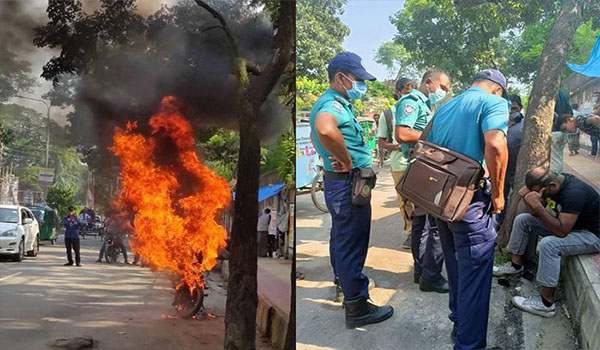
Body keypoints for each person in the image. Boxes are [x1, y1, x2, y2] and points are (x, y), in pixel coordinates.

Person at [427, 69, 509, 349]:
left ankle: (460, 325)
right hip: (471, 202)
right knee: (475, 274)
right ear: (497, 89)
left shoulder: (445, 106)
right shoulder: (493, 102)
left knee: (456, 266)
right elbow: (496, 144)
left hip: (441, 200)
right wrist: (498, 194)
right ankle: (469, 345)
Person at [310, 52, 393, 328]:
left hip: (343, 183)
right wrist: (345, 159)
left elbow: (316, 134)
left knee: (342, 239)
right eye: (357, 79)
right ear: (341, 77)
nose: (361, 85)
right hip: (348, 183)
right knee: (351, 243)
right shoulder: (331, 104)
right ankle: (357, 304)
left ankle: (344, 283)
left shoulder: (337, 102)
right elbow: (323, 128)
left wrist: (331, 153)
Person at [494, 167, 600, 317]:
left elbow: (561, 231)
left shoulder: (574, 193)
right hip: (571, 226)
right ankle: (515, 265)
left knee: (549, 244)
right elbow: (533, 213)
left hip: (592, 235)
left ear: (552, 186)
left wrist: (538, 205)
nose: (540, 196)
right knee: (523, 220)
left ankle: (546, 304)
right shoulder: (551, 185)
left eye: (541, 193)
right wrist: (529, 200)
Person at [395, 69, 451, 293]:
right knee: (434, 224)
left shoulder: (425, 104)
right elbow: (402, 133)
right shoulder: (411, 101)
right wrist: (436, 137)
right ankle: (430, 275)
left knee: (422, 223)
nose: (444, 92)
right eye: (443, 87)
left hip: (423, 166)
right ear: (429, 82)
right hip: (421, 167)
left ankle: (421, 270)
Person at [377, 77, 416, 250]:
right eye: (407, 92)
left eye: (412, 92)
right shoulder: (388, 114)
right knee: (404, 200)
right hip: (399, 163)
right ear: (398, 92)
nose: (410, 96)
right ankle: (410, 232)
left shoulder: (421, 108)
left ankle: (423, 231)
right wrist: (399, 146)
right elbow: (381, 142)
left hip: (421, 161)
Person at [496, 95, 525, 225]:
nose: (512, 111)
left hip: (516, 168)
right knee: (500, 194)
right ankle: (501, 221)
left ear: (520, 108)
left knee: (516, 195)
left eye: (515, 108)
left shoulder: (526, 125)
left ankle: (513, 222)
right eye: (509, 108)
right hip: (499, 167)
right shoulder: (497, 121)